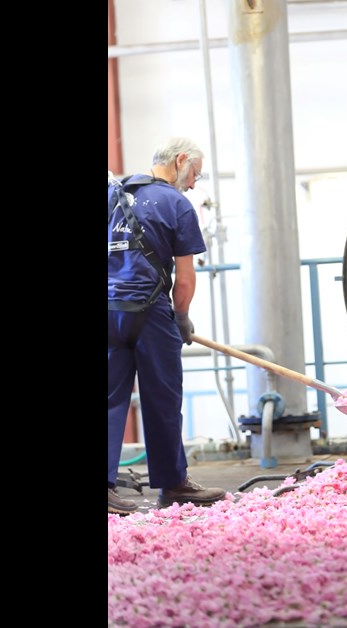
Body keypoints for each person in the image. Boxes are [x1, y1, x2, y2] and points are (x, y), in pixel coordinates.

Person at [108, 137, 226, 514]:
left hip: (109, 310)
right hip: (150, 313)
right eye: (194, 174)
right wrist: (182, 317)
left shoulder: (113, 194)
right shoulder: (176, 203)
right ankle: (173, 485)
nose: (193, 183)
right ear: (179, 162)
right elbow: (186, 277)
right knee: (163, 399)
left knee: (110, 400)